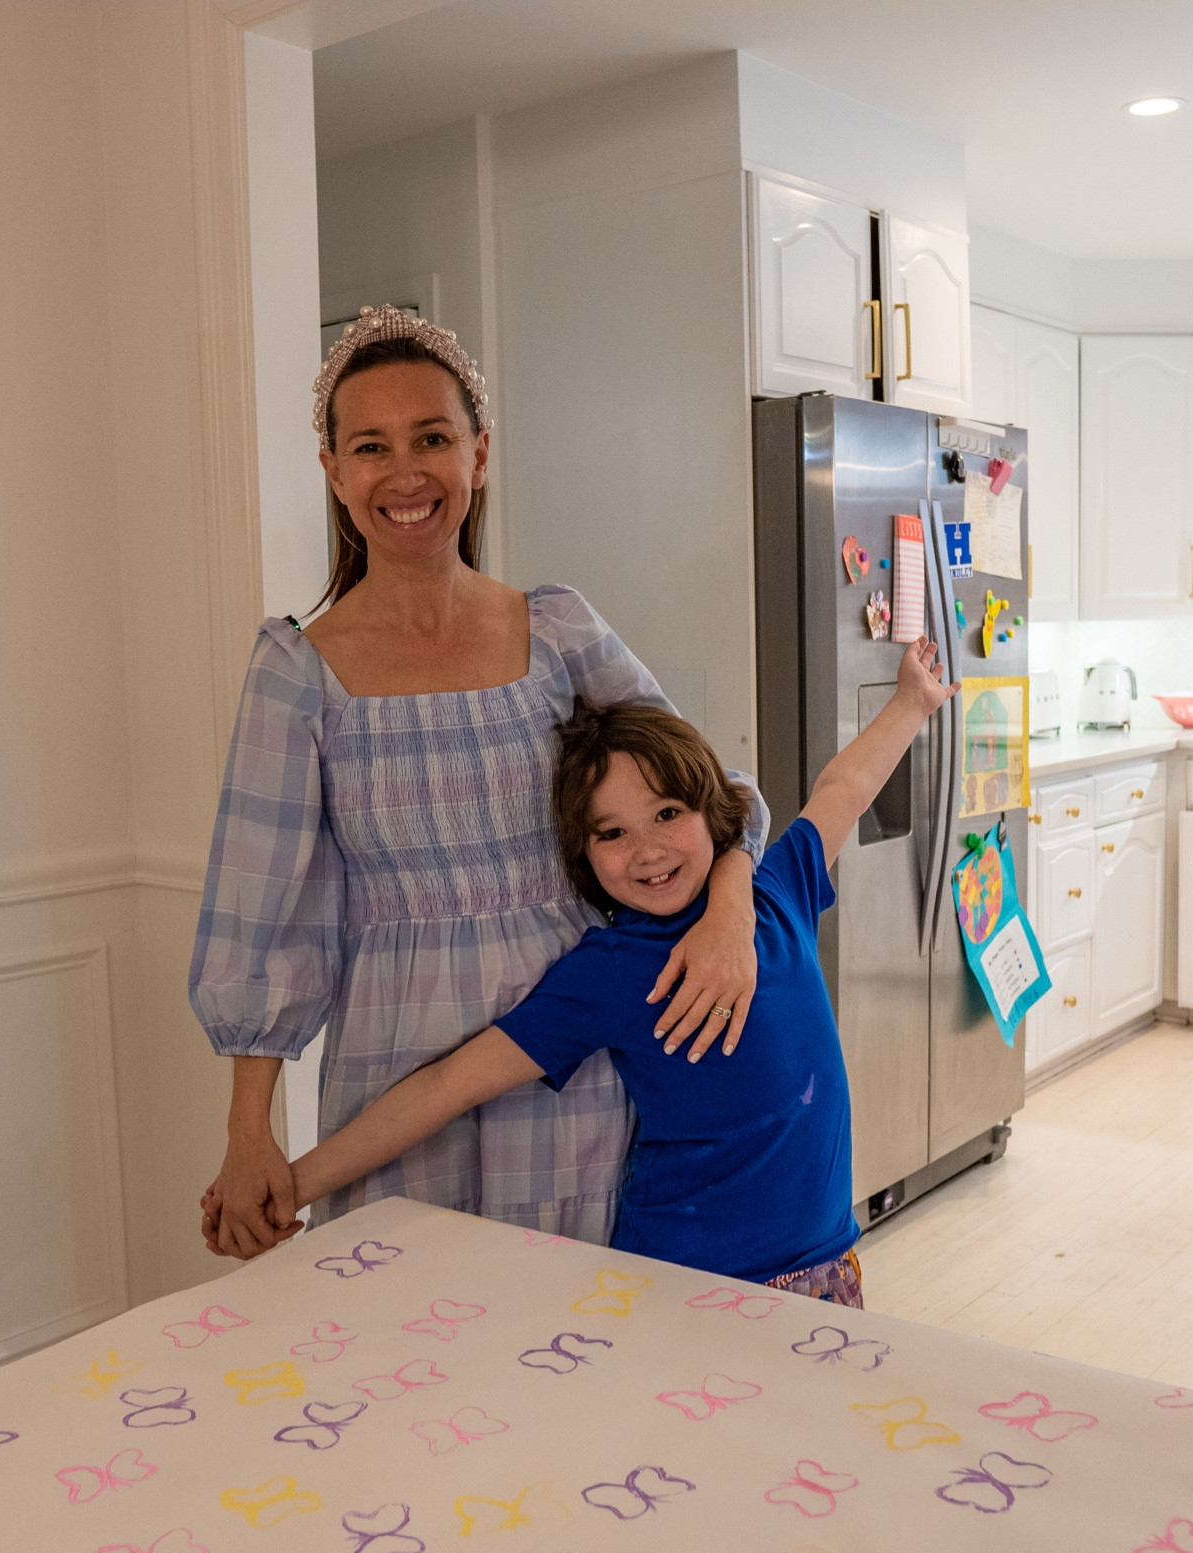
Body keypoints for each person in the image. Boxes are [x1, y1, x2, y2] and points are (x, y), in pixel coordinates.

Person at [189, 306, 768, 1259]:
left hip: (569, 1057)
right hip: (392, 1063)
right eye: (371, 446)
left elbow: (708, 793)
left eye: (434, 438)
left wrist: (732, 909)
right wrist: (248, 1128)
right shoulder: (298, 674)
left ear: (480, 454)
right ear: (335, 472)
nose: (406, 473)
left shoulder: (560, 632)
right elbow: (261, 913)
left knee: (571, 1338)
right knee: (406, 1345)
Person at [265, 636, 960, 1306]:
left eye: (667, 813)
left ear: (709, 811)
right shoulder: (611, 970)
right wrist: (292, 1184)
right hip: (687, 1289)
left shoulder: (774, 892)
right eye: (612, 832)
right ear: (584, 855)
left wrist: (911, 702)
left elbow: (844, 788)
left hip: (825, 1267)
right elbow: (449, 1083)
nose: (648, 849)